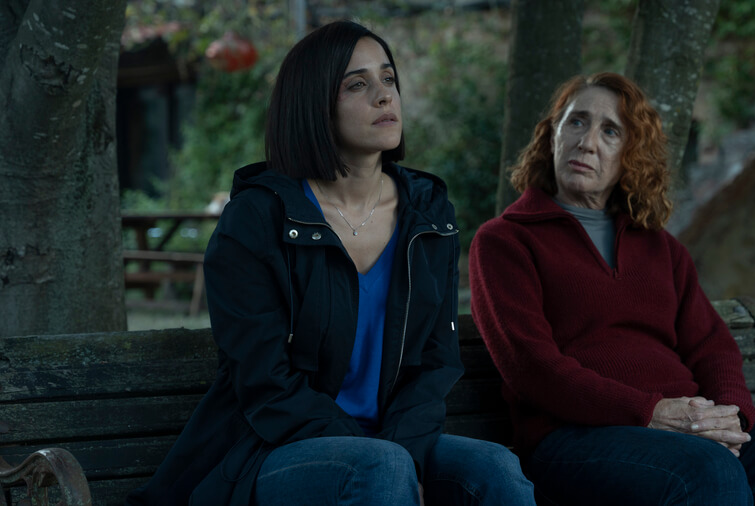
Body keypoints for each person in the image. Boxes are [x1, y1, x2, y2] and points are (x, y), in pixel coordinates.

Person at [126, 21, 534, 506]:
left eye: (388, 78)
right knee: (379, 469)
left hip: (392, 444)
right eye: (357, 85)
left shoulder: (429, 213)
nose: (384, 95)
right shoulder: (257, 220)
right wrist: (386, 458)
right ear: (313, 105)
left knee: (495, 470)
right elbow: (265, 383)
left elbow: (435, 362)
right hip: (271, 450)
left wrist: (404, 454)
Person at [468, 72, 755, 505]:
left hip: (688, 434)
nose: (587, 142)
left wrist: (730, 418)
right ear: (552, 136)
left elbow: (713, 346)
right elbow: (532, 367)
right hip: (574, 440)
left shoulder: (660, 247)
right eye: (576, 122)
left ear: (630, 155)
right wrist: (651, 412)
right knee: (706, 471)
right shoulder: (506, 241)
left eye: (611, 131)